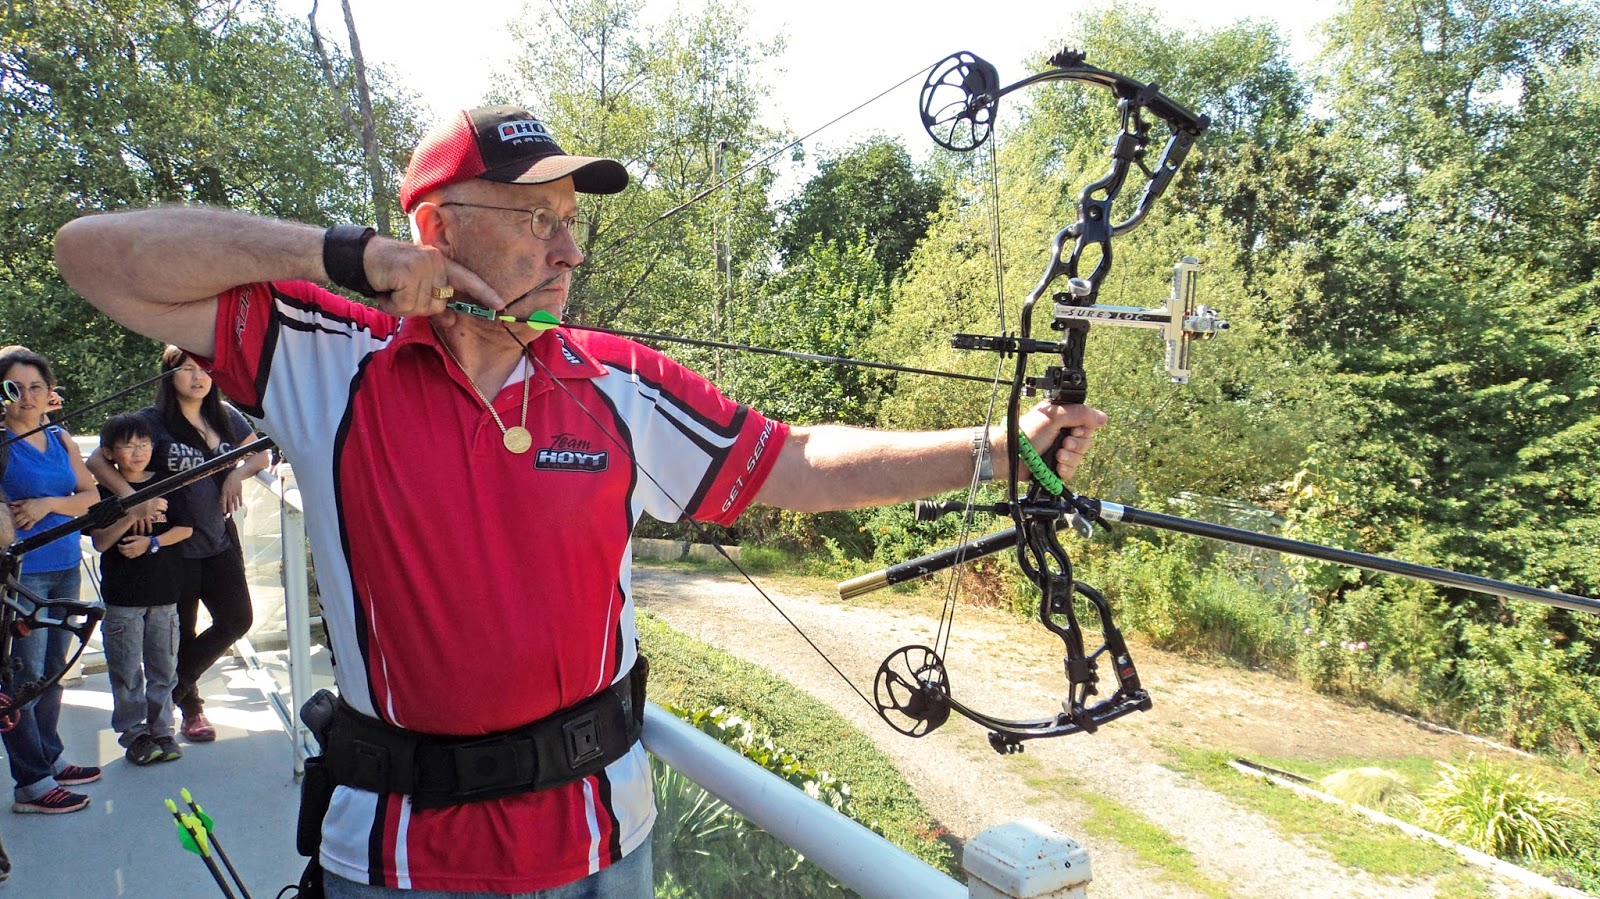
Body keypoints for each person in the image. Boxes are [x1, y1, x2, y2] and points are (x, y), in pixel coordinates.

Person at [54, 104, 1106, 896]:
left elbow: (792, 460)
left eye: (570, 220)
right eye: (535, 219)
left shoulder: (619, 381)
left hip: (602, 844)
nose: (569, 249)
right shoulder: (329, 357)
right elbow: (91, 256)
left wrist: (997, 451)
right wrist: (347, 257)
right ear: (435, 228)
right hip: (397, 853)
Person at [88, 347, 269, 743]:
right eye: (187, 369)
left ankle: (174, 690)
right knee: (181, 630)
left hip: (218, 536)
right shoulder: (152, 422)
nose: (198, 376)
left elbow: (261, 455)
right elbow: (97, 462)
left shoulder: (226, 415)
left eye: (204, 368)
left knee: (236, 619)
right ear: (168, 376)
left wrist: (237, 474)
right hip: (173, 544)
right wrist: (133, 500)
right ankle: (192, 710)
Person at [0, 346, 102, 814]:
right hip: (23, 578)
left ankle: (50, 757)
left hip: (64, 566)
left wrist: (46, 505)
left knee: (53, 671)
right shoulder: (2, 445)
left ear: (49, 392)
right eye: (14, 388)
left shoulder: (61, 438)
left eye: (35, 387)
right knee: (23, 679)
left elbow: (91, 496)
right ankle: (32, 783)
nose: (26, 397)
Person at [88, 412, 192, 765]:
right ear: (109, 452)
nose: (138, 452)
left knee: (164, 668)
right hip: (123, 598)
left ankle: (163, 730)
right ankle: (135, 735)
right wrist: (133, 513)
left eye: (144, 444)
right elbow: (100, 541)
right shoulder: (103, 491)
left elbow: (186, 528)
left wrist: (152, 543)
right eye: (128, 446)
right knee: (126, 670)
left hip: (165, 594)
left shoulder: (166, 482)